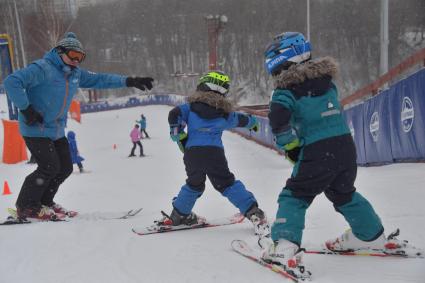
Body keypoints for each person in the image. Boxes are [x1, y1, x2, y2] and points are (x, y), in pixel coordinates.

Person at [260, 31, 387, 266]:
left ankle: (285, 246)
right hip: (345, 147)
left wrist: (291, 147)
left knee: (294, 195)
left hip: (317, 149)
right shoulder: (328, 83)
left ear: (282, 60)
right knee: (343, 192)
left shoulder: (284, 90)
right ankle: (370, 235)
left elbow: (278, 121)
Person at [4, 32, 154, 221]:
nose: (76, 60)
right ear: (59, 52)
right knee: (48, 167)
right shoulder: (42, 68)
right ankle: (26, 206)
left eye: (80, 57)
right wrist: (26, 109)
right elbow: (12, 82)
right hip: (35, 128)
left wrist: (130, 80)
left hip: (56, 130)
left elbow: (101, 79)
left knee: (65, 167)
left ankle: (44, 202)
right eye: (73, 55)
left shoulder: (75, 74)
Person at [158, 70, 269, 236]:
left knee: (194, 184)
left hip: (192, 153)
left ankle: (178, 215)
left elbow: (174, 114)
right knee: (226, 183)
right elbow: (241, 119)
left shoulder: (190, 108)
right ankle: (253, 212)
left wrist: (179, 135)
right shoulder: (224, 113)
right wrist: (253, 123)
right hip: (214, 153)